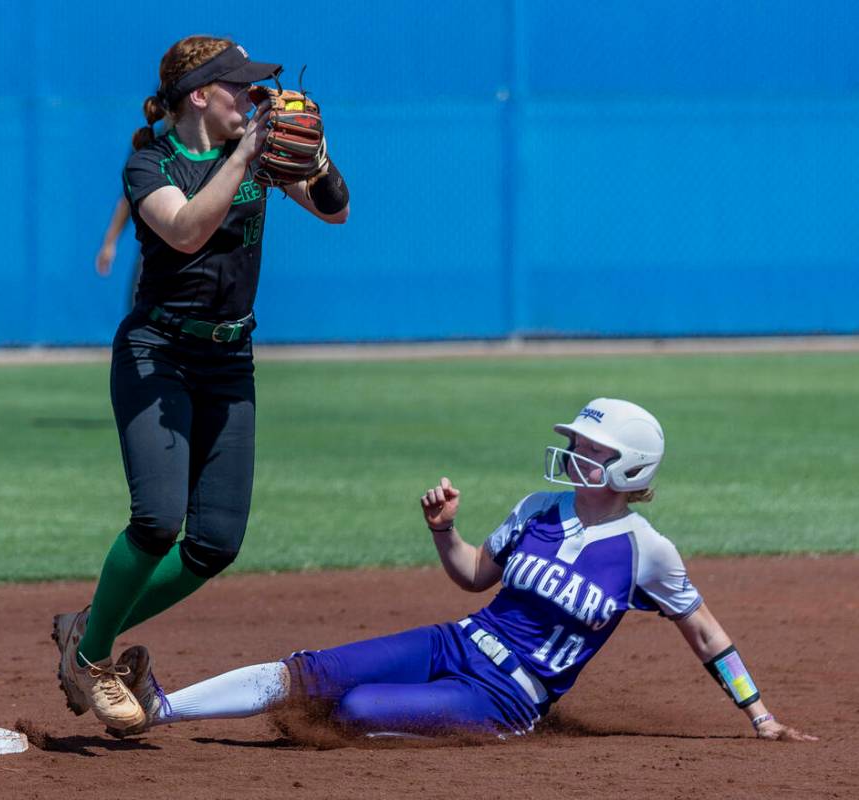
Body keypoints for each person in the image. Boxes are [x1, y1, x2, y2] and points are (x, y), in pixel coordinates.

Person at [114, 398, 817, 742]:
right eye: (574, 442)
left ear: (628, 468)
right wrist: (443, 531)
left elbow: (703, 632)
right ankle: (161, 707)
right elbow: (476, 576)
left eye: (589, 448)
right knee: (313, 671)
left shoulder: (645, 551)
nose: (573, 453)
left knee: (353, 710)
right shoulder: (539, 508)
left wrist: (758, 715)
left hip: (507, 700)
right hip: (457, 640)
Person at [53, 34, 350, 734]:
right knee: (157, 521)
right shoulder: (151, 161)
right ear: (198, 97)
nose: (256, 97)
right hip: (158, 353)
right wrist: (246, 155)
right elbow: (184, 231)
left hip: (229, 360)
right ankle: (91, 659)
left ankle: (82, 628)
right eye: (241, 87)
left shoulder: (260, 153)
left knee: (214, 543)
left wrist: (319, 154)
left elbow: (334, 208)